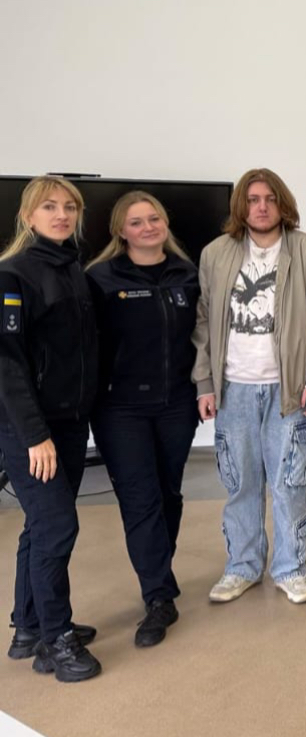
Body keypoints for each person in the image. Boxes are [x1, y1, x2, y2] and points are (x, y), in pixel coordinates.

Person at [193, 168, 306, 606]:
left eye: (269, 199)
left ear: (283, 204)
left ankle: (291, 569)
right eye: (252, 200)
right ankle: (242, 567)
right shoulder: (215, 254)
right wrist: (205, 382)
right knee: (241, 484)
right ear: (240, 207)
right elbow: (203, 322)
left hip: (291, 391)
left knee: (290, 484)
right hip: (234, 391)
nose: (261, 207)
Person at [85, 192, 201, 647]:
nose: (148, 227)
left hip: (177, 405)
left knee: (168, 494)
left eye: (154, 219)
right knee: (141, 500)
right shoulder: (100, 279)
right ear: (121, 230)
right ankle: (158, 596)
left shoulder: (188, 275)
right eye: (136, 222)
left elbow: (203, 338)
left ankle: (158, 578)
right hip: (120, 409)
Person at [0, 176, 101, 681]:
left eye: (69, 207)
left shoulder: (72, 268)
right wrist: (35, 436)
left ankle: (29, 626)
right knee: (58, 526)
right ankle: (56, 641)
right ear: (28, 216)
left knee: (40, 526)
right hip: (31, 431)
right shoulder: (12, 274)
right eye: (49, 207)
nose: (61, 215)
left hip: (70, 422)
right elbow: (8, 365)